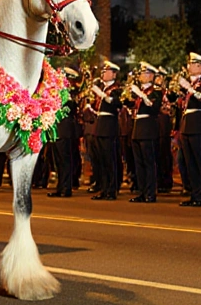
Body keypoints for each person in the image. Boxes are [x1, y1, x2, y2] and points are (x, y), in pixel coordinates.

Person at [176, 52, 201, 207]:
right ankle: (193, 193)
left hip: (198, 124)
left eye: (192, 64)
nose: (188, 67)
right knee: (188, 162)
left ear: (200, 66)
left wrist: (190, 89)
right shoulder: (187, 85)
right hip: (186, 124)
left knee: (199, 160)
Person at [129, 63, 163, 203]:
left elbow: (154, 108)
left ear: (150, 75)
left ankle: (150, 193)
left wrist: (142, 96)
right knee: (139, 163)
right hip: (137, 127)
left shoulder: (155, 91)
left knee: (149, 162)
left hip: (148, 128)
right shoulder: (137, 92)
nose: (140, 76)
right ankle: (142, 192)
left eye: (143, 74)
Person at [89, 61, 122, 200]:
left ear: (114, 74)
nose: (103, 74)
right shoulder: (102, 88)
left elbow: (117, 104)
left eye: (107, 71)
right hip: (100, 125)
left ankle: (112, 189)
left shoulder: (117, 89)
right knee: (101, 160)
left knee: (110, 159)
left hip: (109, 125)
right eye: (103, 71)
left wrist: (104, 96)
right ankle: (103, 188)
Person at [47, 67, 82, 198]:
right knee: (58, 160)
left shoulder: (71, 92)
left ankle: (66, 188)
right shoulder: (56, 91)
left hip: (65, 129)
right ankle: (60, 186)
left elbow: (70, 108)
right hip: (57, 129)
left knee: (65, 160)